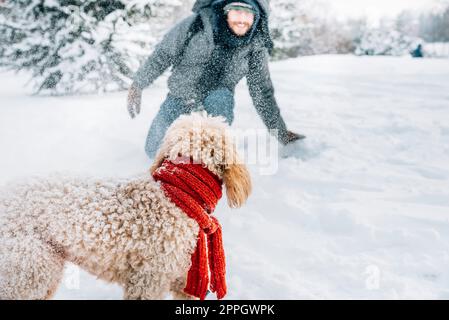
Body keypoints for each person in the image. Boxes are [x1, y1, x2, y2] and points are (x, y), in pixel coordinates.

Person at [127, 0, 304, 159]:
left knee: (219, 100)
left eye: (248, 13)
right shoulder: (196, 24)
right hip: (180, 97)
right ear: (225, 11)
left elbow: (262, 92)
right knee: (153, 151)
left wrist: (280, 132)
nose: (242, 19)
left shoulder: (256, 46)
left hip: (216, 101)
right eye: (236, 11)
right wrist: (138, 84)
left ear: (256, 17)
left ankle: (209, 157)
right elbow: (162, 55)